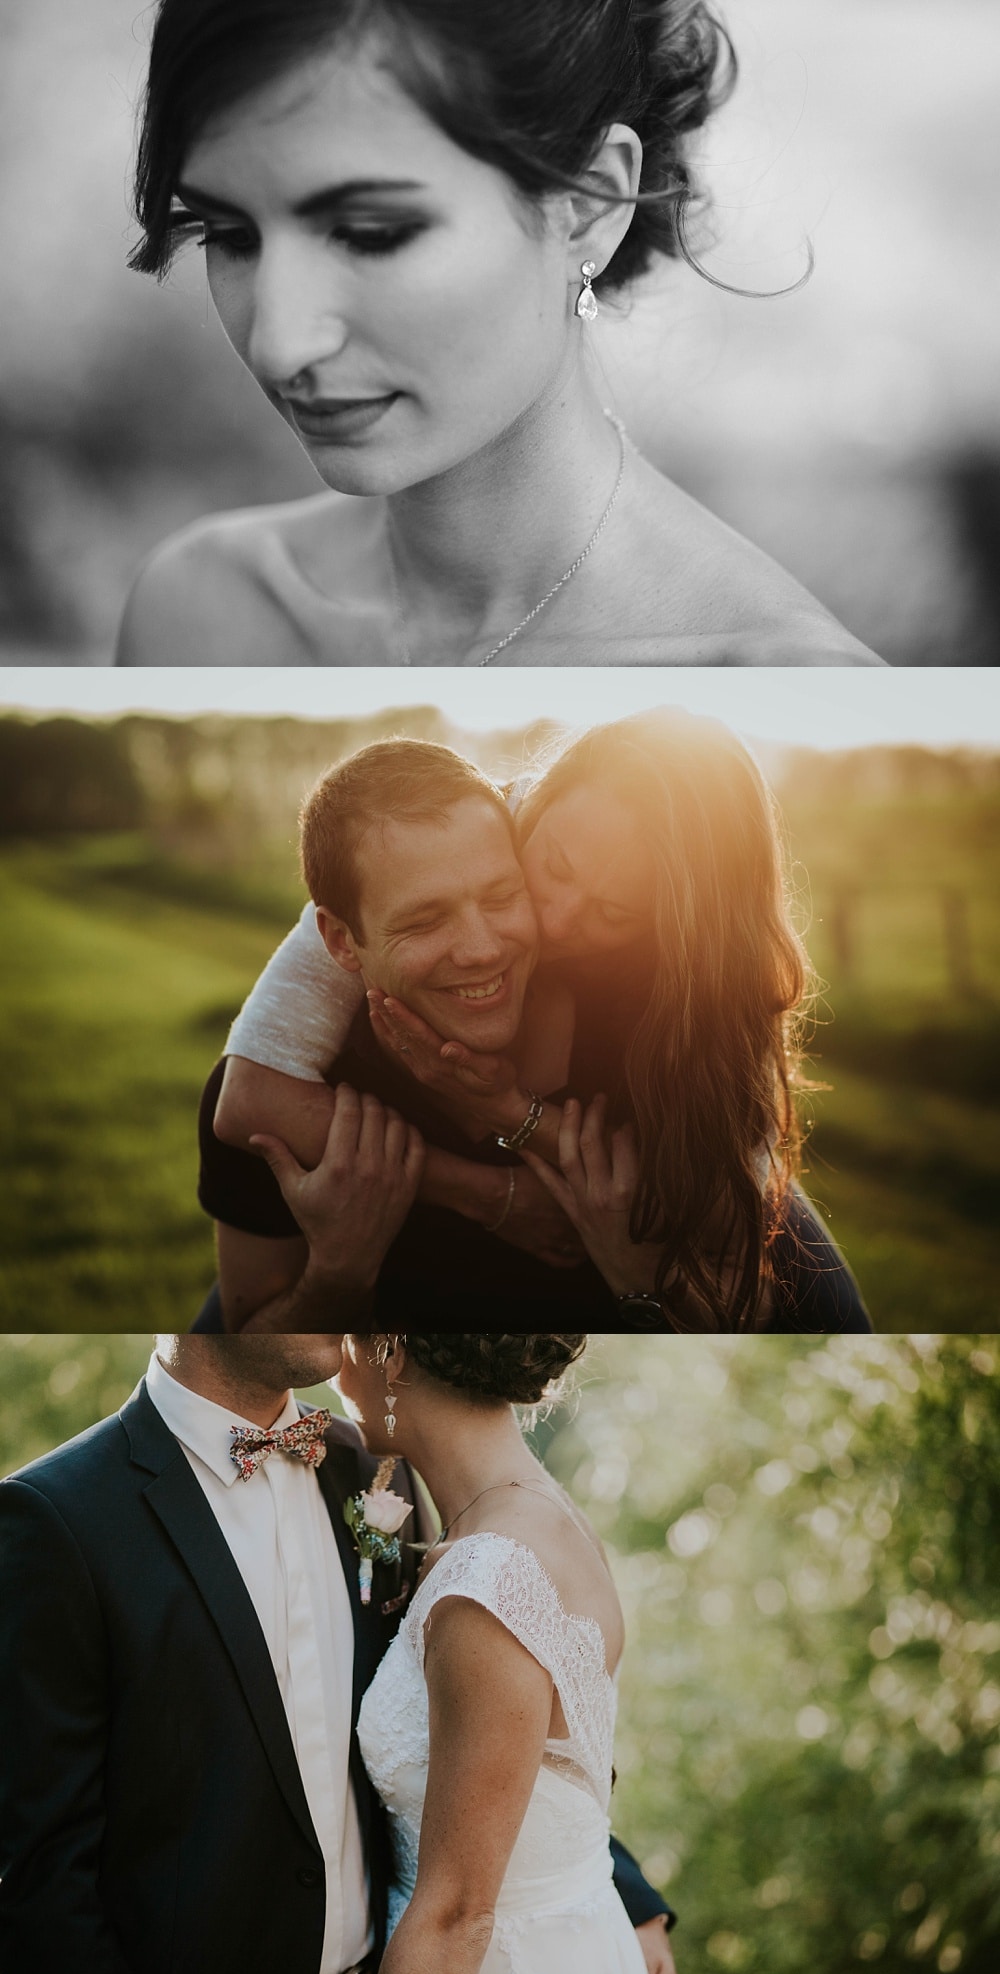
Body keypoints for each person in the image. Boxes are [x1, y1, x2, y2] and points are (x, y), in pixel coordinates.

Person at [118, 1, 879, 670]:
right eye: (228, 233)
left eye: (371, 233)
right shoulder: (196, 614)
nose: (279, 345)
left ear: (590, 202)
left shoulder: (779, 685)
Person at [0, 1335, 672, 1974]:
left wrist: (618, 1891)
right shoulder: (57, 1520)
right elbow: (43, 1885)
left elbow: (495, 1719)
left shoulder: (373, 1467)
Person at [199, 723, 873, 1333]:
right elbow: (247, 1098)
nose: (553, 919)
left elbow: (720, 1214)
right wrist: (488, 1194)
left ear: (665, 928)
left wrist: (505, 1111)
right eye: (551, 870)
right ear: (531, 804)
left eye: (611, 910)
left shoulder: (679, 999)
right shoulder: (444, 846)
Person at [336, 1330, 665, 1974]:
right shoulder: (541, 1514)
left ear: (393, 1352)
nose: (335, 1370)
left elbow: (458, 1916)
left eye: (347, 1336)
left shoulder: (489, 1585)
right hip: (572, 1941)